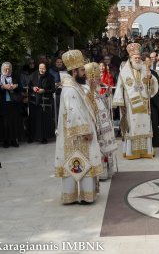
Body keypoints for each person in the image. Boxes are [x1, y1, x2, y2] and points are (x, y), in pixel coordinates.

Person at [55, 50, 102, 204]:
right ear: (74, 72)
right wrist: (86, 131)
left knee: (80, 162)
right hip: (77, 136)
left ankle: (81, 194)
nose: (84, 73)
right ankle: (81, 195)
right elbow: (74, 112)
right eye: (82, 70)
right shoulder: (70, 89)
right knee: (80, 161)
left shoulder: (75, 85)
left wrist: (93, 89)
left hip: (78, 133)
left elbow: (85, 105)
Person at [113, 43, 159, 159]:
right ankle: (131, 152)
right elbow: (119, 87)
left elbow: (152, 84)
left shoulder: (144, 68)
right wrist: (121, 103)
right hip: (131, 105)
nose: (138, 60)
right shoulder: (124, 71)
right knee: (132, 128)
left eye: (139, 58)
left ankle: (146, 151)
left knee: (145, 126)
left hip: (144, 104)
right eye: (135, 58)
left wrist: (150, 80)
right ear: (130, 58)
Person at [84, 62, 119, 180]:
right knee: (100, 150)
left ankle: (108, 171)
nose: (99, 81)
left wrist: (107, 95)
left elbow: (103, 105)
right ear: (90, 79)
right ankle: (101, 174)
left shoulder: (97, 92)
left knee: (106, 150)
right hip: (97, 128)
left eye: (99, 78)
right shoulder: (87, 94)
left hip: (105, 127)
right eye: (96, 79)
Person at [0, 62, 23, 148]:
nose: (7, 71)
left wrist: (15, 86)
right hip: (3, 103)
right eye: (5, 69)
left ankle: (14, 139)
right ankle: (6, 140)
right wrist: (3, 87)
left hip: (14, 103)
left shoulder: (15, 76)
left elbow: (21, 87)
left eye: (9, 69)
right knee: (5, 122)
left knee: (14, 122)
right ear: (2, 69)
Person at [27, 63, 55, 144]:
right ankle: (32, 136)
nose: (41, 70)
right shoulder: (33, 75)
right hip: (34, 101)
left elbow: (53, 90)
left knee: (44, 120)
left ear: (46, 69)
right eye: (40, 68)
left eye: (43, 69)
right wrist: (33, 88)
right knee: (33, 119)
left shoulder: (50, 77)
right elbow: (29, 85)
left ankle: (44, 137)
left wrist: (44, 90)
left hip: (45, 102)